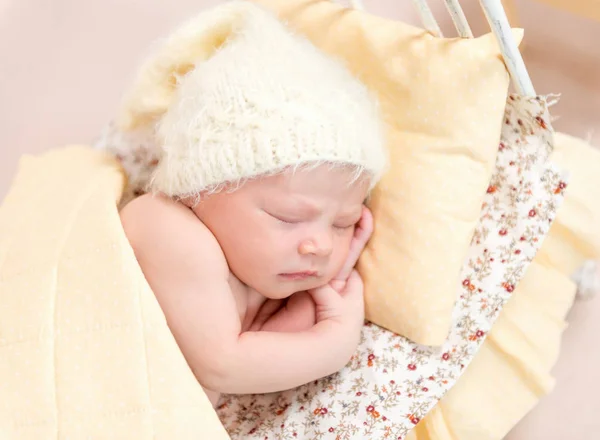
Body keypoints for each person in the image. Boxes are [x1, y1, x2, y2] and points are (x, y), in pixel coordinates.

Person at [119, 3, 387, 407]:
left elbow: (263, 345)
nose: (322, 245)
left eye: (343, 223)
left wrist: (327, 286)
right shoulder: (166, 228)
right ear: (199, 191)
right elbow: (223, 366)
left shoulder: (250, 271)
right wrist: (334, 339)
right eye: (289, 217)